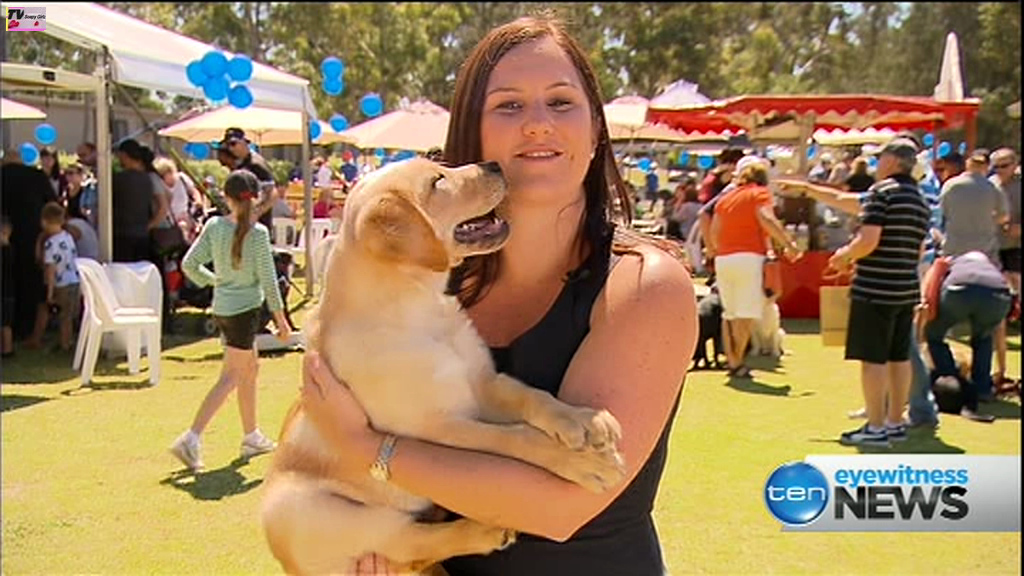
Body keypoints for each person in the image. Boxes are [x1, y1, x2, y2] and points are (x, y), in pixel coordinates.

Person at [298, 14, 696, 576]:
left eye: (561, 102)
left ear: (595, 131)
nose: (537, 124)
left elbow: (561, 504)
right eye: (509, 105)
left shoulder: (644, 285)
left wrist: (370, 450)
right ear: (473, 135)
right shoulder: (435, 289)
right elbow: (335, 437)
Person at [169, 169, 292, 472]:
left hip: (224, 308)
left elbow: (189, 264)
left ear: (226, 197)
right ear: (257, 198)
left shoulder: (215, 226)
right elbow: (269, 280)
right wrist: (281, 320)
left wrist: (216, 281)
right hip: (243, 312)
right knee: (232, 376)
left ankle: (251, 436)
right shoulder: (257, 234)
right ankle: (191, 437)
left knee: (249, 370)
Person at [822, 138, 931, 446]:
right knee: (899, 358)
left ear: (892, 161)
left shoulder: (881, 193)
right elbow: (919, 249)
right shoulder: (919, 199)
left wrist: (844, 256)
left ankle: (875, 426)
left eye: (880, 158)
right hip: (905, 287)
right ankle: (895, 422)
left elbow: (868, 240)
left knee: (873, 360)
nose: (876, 163)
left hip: (875, 288)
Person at [710, 156, 802, 378]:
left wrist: (719, 249)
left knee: (729, 313)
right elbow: (766, 219)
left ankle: (732, 359)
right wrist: (788, 244)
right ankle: (736, 362)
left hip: (724, 259)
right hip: (749, 257)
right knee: (745, 314)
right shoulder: (759, 194)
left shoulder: (726, 199)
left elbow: (714, 232)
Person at [923, 251, 1011, 422]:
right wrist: (1002, 368)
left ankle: (951, 384)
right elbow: (1000, 331)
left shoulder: (953, 263)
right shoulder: (993, 272)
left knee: (934, 335)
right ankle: (982, 390)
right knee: (983, 339)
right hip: (998, 295)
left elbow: (930, 289)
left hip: (958, 289)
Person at [1, 147, 56, 344]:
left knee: (6, 283)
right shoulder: (36, 176)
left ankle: (7, 326)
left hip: (5, 233)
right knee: (31, 280)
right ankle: (28, 326)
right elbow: (52, 203)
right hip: (33, 235)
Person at [938, 149, 1008, 266]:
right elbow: (1004, 217)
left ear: (967, 164)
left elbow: (944, 212)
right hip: (985, 250)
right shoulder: (993, 188)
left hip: (954, 248)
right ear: (986, 167)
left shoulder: (950, 185)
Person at [989, 148, 1021, 393]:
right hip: (994, 247)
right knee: (999, 296)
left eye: (1004, 165)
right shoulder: (989, 186)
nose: (1000, 170)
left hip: (1017, 246)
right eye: (996, 165)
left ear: (1015, 163)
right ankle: (999, 370)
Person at [35, 202, 81, 352]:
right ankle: (68, 341)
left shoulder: (50, 243)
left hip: (61, 283)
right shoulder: (68, 237)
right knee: (69, 315)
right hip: (74, 280)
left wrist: (49, 292)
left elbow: (51, 268)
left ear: (44, 221)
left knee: (63, 316)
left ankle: (65, 344)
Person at [112, 139, 165, 263]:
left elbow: (163, 206)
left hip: (122, 233)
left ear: (125, 155)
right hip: (141, 233)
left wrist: (151, 224)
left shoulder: (119, 179)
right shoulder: (148, 178)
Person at [220, 128, 275, 231]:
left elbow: (273, 194)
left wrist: (256, 214)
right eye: (228, 145)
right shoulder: (241, 163)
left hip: (258, 225)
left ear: (244, 142)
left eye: (233, 144)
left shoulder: (256, 164)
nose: (231, 149)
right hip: (244, 223)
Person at [1, 216, 14, 358]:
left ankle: (7, 349)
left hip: (5, 292)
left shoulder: (6, 252)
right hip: (9, 292)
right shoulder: (11, 251)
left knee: (5, 324)